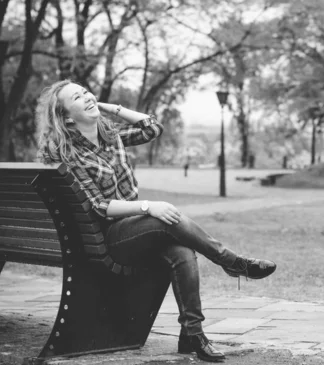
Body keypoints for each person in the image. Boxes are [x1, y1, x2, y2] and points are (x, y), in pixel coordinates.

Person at [35, 80, 277, 363]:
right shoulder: (66, 151)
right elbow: (99, 206)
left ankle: (193, 333)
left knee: (181, 250)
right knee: (166, 217)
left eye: (87, 92)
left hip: (131, 229)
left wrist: (107, 107)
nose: (87, 97)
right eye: (77, 98)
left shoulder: (109, 135)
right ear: (65, 116)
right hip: (103, 237)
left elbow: (151, 128)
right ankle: (231, 261)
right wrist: (149, 206)